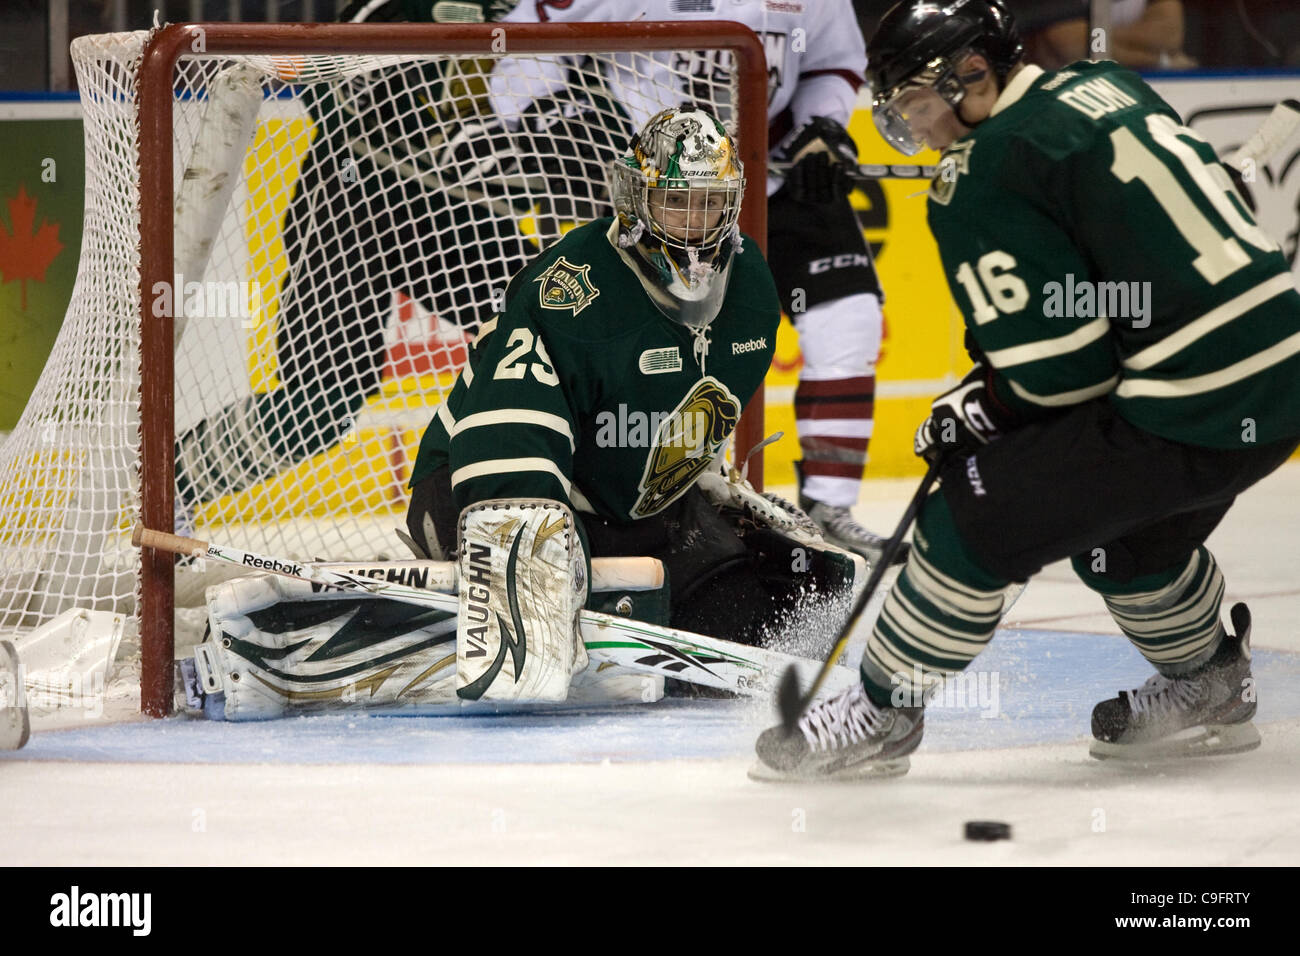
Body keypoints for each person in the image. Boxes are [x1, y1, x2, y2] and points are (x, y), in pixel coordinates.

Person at [753, 0, 1300, 779]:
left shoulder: (982, 173)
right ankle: (1210, 680)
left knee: (973, 515)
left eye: (916, 102)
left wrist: (975, 411)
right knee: (1126, 544)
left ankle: (882, 711)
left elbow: (1063, 376)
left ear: (973, 73)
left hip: (1189, 397)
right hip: (1276, 381)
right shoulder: (1105, 85)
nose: (919, 126)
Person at [477, 0, 901, 566]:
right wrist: (554, 115)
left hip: (768, 170)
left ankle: (831, 510)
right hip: (655, 197)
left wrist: (820, 128)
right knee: (660, 344)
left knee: (848, 318)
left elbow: (830, 61)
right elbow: (519, 47)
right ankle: (678, 498)